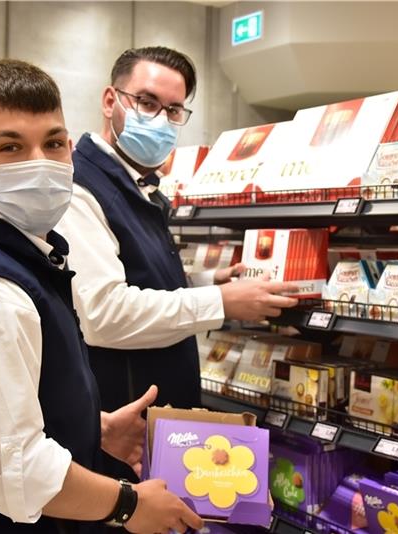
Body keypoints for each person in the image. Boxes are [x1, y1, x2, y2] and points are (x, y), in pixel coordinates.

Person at [0, 59, 203, 534]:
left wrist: (91, 428)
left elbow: (9, 411)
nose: (39, 162)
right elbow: (11, 472)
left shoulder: (31, 258)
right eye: (11, 146)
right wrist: (130, 505)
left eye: (54, 143)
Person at [55, 45, 298, 444]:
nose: (160, 119)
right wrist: (220, 301)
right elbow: (103, 314)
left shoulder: (135, 184)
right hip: (123, 419)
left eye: (172, 110)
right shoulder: (81, 189)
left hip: (157, 414)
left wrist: (206, 280)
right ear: (109, 100)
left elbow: (136, 275)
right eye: (147, 102)